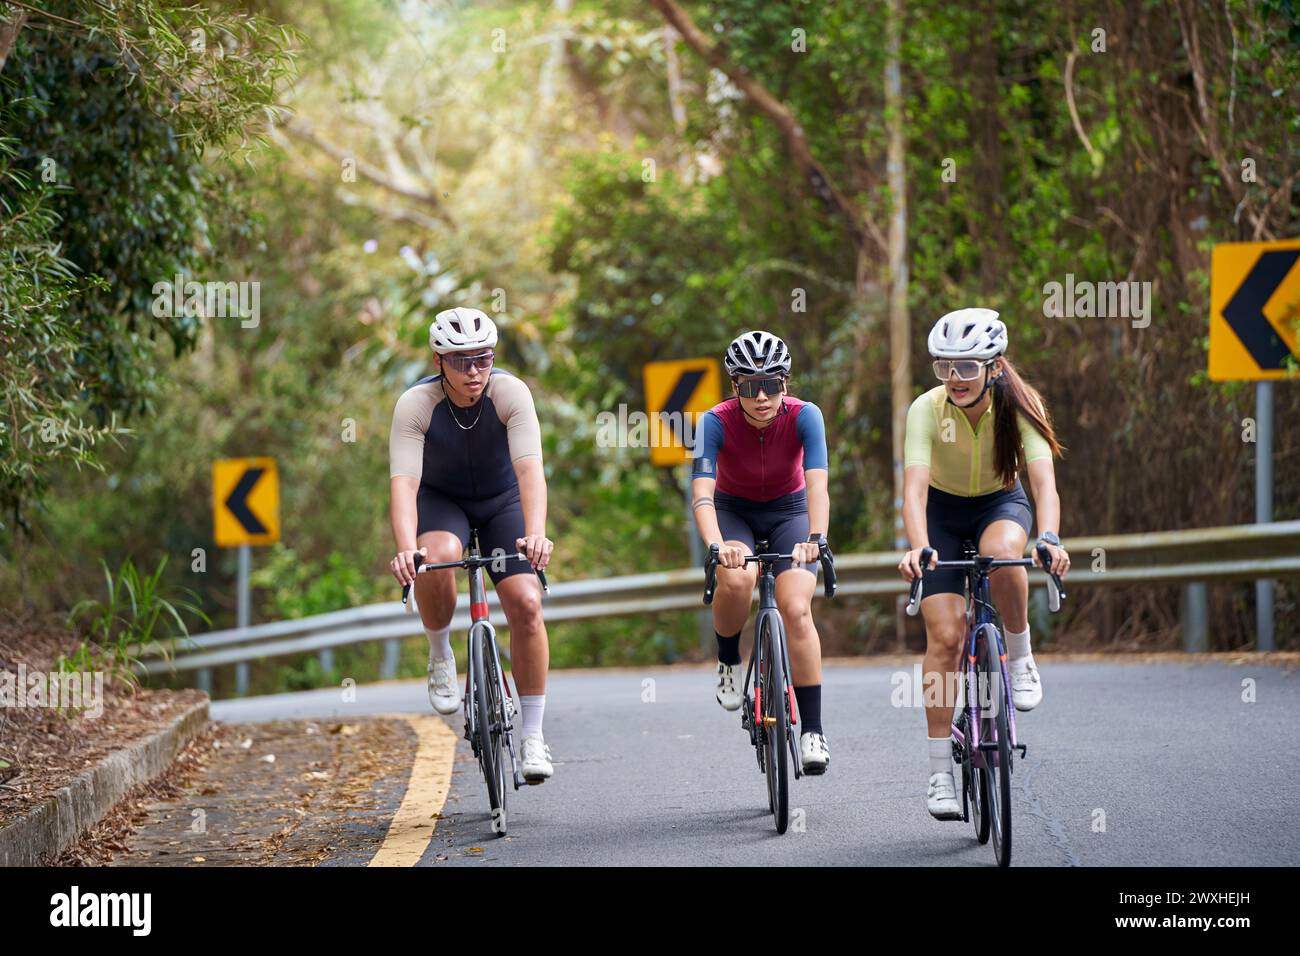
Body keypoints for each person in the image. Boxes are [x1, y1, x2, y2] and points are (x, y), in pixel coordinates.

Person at [898, 308, 1069, 819]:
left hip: (1000, 501)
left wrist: (1050, 536)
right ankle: (938, 775)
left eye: (968, 367)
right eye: (945, 366)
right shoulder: (926, 409)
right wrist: (918, 544)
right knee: (946, 639)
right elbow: (912, 491)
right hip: (941, 513)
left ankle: (1019, 655)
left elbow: (1043, 484)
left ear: (994, 367)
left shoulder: (1021, 403)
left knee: (1001, 557)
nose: (955, 378)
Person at [387, 307, 556, 782]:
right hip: (442, 503)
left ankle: (533, 736)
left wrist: (536, 532)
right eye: (461, 361)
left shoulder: (510, 392)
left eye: (483, 359)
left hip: (503, 502)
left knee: (525, 603)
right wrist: (406, 547)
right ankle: (440, 652)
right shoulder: (416, 404)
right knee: (434, 559)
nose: (474, 371)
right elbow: (403, 483)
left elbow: (529, 472)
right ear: (439, 360)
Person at [690, 330, 834, 774]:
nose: (762, 397)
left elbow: (818, 486)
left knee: (796, 609)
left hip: (790, 511)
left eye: (771, 384)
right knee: (736, 579)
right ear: (736, 389)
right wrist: (716, 545)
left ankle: (813, 731)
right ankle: (730, 659)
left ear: (784, 384)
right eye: (751, 387)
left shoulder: (806, 415)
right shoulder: (715, 421)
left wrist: (815, 538)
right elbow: (702, 494)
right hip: (734, 514)